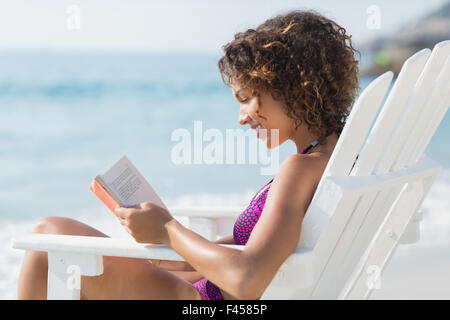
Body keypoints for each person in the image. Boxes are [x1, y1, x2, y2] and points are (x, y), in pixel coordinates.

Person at [17, 9, 359, 300]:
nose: (242, 117)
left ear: (291, 87)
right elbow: (263, 251)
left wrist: (166, 229)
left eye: (246, 98)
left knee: (49, 239)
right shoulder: (335, 159)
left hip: (197, 300)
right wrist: (170, 245)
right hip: (199, 284)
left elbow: (248, 277)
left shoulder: (300, 169)